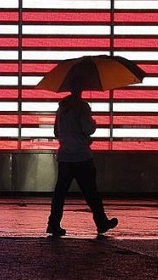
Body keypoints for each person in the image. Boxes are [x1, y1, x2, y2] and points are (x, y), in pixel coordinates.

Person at [46, 88, 117, 237]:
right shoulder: (82, 106)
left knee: (60, 193)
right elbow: (89, 128)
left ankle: (53, 224)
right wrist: (92, 123)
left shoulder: (62, 107)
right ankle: (101, 222)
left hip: (65, 156)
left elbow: (56, 132)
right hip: (81, 156)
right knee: (91, 191)